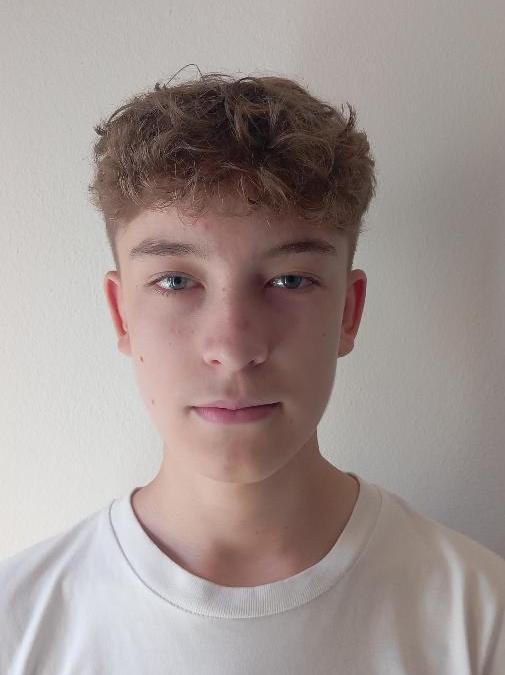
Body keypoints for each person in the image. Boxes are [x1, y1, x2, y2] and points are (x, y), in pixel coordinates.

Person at [1, 68, 504, 674]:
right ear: (121, 312)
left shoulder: (480, 620)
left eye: (289, 280)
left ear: (349, 312)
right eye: (176, 281)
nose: (234, 347)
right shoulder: (18, 627)